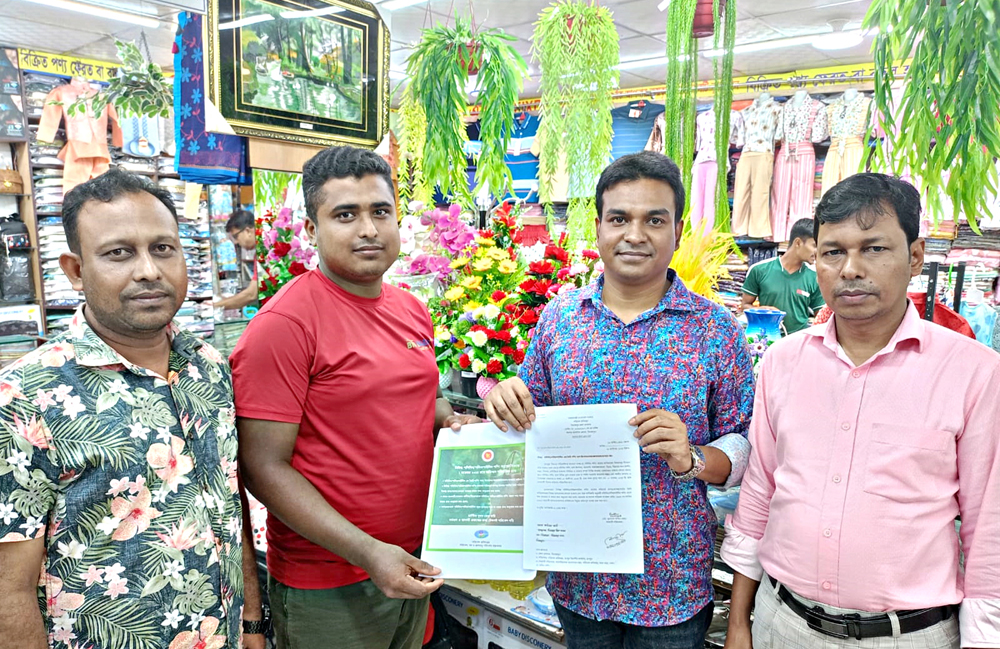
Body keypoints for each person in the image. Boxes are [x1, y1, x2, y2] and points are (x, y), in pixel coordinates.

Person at [482, 151, 756, 649]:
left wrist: (692, 456)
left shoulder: (716, 330)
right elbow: (527, 417)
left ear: (677, 230)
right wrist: (500, 398)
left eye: (655, 220)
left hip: (671, 582)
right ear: (598, 228)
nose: (635, 234)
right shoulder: (560, 319)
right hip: (578, 578)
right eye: (619, 218)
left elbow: (743, 447)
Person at [721, 173, 1000, 649]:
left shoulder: (973, 373)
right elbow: (759, 492)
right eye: (833, 252)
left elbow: (988, 526)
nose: (850, 269)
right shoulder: (783, 362)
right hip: (780, 621)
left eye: (874, 249)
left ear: (915, 256)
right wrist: (739, 623)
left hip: (906, 635)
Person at [0, 167, 264, 649]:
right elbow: (7, 590)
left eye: (162, 248)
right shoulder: (24, 397)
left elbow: (228, 503)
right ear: (75, 271)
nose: (148, 270)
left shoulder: (208, 366)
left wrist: (251, 623)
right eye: (118, 253)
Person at [230, 145, 479, 649]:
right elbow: (262, 467)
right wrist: (367, 552)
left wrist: (454, 423)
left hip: (412, 561)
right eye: (345, 215)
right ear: (311, 229)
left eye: (380, 211)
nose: (368, 229)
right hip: (329, 582)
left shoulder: (412, 310)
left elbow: (422, 403)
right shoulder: (284, 325)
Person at [739, 217, 824, 334]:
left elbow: (821, 319)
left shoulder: (815, 277)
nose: (817, 252)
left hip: (799, 340)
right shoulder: (759, 270)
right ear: (798, 243)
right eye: (814, 245)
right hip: (767, 339)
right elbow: (745, 306)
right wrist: (762, 311)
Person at [215, 210, 259, 311]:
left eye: (236, 236)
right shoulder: (259, 253)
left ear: (248, 231)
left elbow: (251, 294)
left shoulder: (264, 251)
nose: (236, 242)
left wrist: (216, 305)